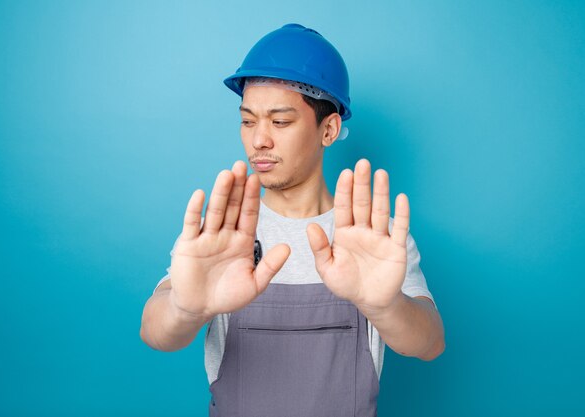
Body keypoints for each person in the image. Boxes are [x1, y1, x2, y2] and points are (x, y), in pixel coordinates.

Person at [140, 23, 445, 416]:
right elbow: (153, 330)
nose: (258, 140)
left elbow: (431, 342)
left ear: (329, 129)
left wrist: (385, 307)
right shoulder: (222, 232)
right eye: (248, 121)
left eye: (279, 122)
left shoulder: (373, 236)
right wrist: (187, 309)